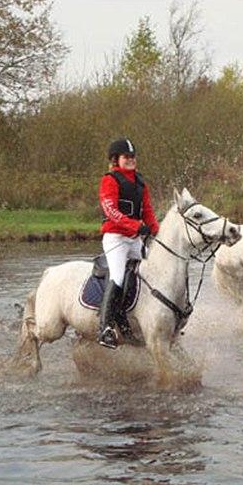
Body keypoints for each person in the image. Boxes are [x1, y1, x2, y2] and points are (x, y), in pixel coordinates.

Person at [97, 138, 159, 348]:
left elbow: (148, 211)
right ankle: (105, 328)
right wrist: (135, 226)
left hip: (134, 240)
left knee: (156, 271)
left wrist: (156, 231)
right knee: (118, 276)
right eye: (127, 157)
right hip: (116, 238)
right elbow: (111, 212)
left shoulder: (140, 183)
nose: (131, 160)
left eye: (133, 157)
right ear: (116, 160)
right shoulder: (110, 180)